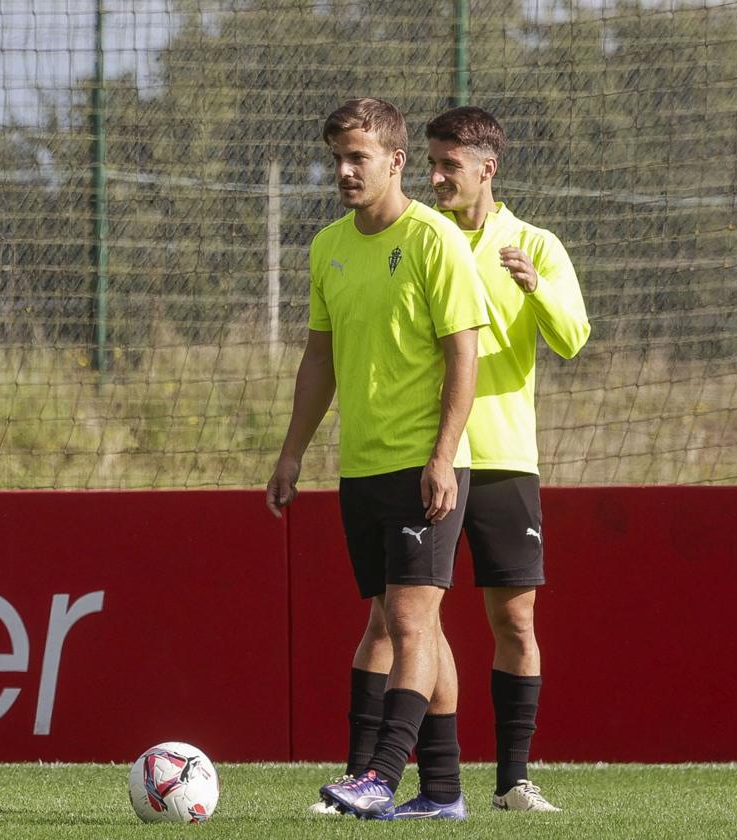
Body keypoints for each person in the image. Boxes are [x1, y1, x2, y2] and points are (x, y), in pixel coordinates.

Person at [312, 105, 591, 819]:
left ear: (487, 170)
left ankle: (511, 780)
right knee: (402, 621)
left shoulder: (532, 243)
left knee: (513, 623)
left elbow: (572, 338)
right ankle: (380, 779)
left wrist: (537, 287)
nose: (437, 178)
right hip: (425, 454)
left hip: (500, 458)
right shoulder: (414, 237)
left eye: (450, 167)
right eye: (430, 164)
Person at [265, 97, 487, 820]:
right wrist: (293, 453)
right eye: (336, 157)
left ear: (395, 161)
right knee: (398, 626)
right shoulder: (327, 245)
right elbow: (318, 359)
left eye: (357, 157)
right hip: (359, 469)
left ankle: (381, 777)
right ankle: (444, 792)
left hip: (425, 466)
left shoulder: (434, 241)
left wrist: (444, 457)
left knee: (413, 622)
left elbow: (464, 356)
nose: (342, 170)